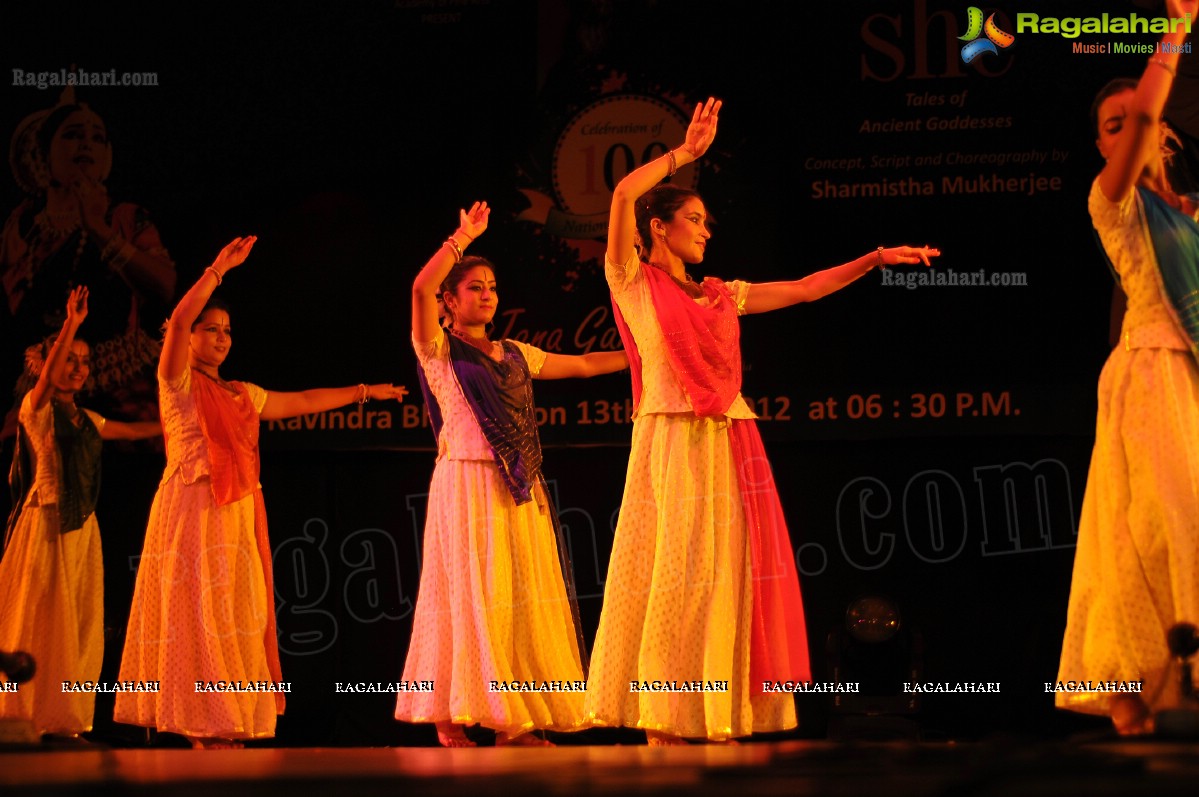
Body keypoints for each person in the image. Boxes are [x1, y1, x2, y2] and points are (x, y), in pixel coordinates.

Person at [584, 98, 939, 744]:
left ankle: (713, 711)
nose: (705, 230)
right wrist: (683, 156)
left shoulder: (720, 293)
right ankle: (663, 715)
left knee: (720, 578)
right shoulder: (631, 280)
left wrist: (872, 259)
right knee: (670, 573)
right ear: (658, 227)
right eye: (692, 219)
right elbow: (620, 195)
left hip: (725, 442)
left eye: (705, 221)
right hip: (667, 438)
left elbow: (804, 287)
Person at [114, 237, 407, 749]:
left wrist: (363, 392)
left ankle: (226, 719)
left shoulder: (242, 394)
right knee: (197, 613)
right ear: (186, 338)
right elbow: (178, 321)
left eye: (227, 332)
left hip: (239, 511)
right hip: (192, 507)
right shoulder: (176, 380)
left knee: (237, 616)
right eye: (212, 330)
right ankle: (202, 724)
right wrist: (217, 270)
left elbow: (304, 400)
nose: (223, 339)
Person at [395, 202, 627, 747]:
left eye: (492, 287)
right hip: (465, 484)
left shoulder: (517, 354)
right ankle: (452, 713)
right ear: (448, 301)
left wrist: (641, 353)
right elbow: (416, 290)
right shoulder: (439, 350)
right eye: (474, 287)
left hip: (518, 487)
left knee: (517, 597)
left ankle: (510, 717)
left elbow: (586, 364)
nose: (487, 295)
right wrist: (460, 238)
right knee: (466, 595)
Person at [1056, 0, 1199, 736]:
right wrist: (1172, 32)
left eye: (1135, 119)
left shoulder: (1193, 215)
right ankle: (1127, 689)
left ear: (1168, 131)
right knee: (1149, 526)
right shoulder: (1109, 202)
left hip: (1195, 378)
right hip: (1149, 372)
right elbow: (1141, 119)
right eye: (1111, 126)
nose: (1130, 128)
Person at [0, 286, 160, 744]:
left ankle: (66, 720)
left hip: (81, 530)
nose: (78, 367)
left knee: (78, 628)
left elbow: (140, 429)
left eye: (85, 361)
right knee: (33, 622)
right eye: (70, 358)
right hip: (43, 525)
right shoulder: (36, 409)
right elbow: (47, 384)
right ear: (47, 364)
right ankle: (18, 716)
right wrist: (72, 321)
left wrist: (190, 418)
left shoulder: (88, 419)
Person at [1, 89, 176, 437]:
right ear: (43, 154)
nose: (86, 145)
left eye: (97, 138)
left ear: (107, 156)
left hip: (120, 391)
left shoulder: (124, 218)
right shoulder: (22, 227)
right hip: (43, 391)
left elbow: (164, 286)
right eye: (72, 135)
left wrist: (99, 231)